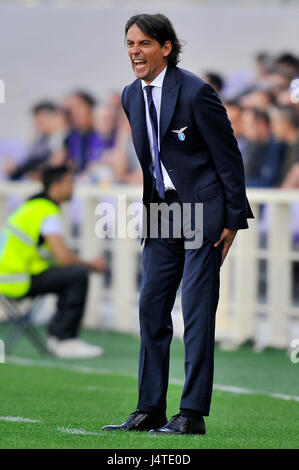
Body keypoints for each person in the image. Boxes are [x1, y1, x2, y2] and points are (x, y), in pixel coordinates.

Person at [102, 13, 254, 435]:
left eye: (144, 43)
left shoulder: (196, 92)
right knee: (151, 307)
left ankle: (191, 414)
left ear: (166, 47)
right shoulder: (131, 95)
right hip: (162, 213)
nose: (135, 51)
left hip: (204, 211)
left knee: (197, 311)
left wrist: (232, 218)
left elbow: (228, 156)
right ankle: (149, 408)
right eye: (130, 44)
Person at [0, 164, 106, 358]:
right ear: (56, 187)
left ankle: (58, 336)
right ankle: (64, 339)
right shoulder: (47, 211)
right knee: (77, 275)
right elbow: (64, 258)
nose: (73, 187)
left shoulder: (31, 207)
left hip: (7, 277)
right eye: (69, 182)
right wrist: (92, 265)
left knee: (67, 275)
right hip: (17, 280)